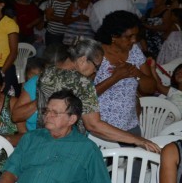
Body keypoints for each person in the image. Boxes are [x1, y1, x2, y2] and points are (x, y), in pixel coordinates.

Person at [12, 41, 159, 152]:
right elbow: (94, 125)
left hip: (40, 146)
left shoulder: (45, 75)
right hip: (67, 150)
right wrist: (136, 140)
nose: (96, 71)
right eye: (96, 66)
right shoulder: (82, 84)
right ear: (82, 60)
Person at [94, 10, 156, 135]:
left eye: (136, 36)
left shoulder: (135, 52)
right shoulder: (95, 53)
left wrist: (136, 73)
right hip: (100, 128)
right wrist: (115, 78)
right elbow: (83, 95)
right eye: (129, 36)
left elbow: (151, 88)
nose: (134, 40)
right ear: (113, 36)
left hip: (130, 125)